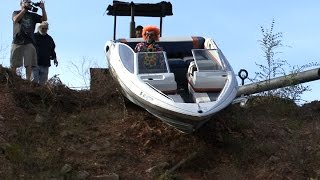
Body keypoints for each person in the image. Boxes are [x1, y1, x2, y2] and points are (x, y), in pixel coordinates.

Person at [10, 0, 47, 81]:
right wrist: (24, 9)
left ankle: (27, 81)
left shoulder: (32, 15)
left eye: (29, 2)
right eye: (26, 1)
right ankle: (12, 79)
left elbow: (44, 19)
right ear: (21, 3)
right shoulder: (16, 12)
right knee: (14, 63)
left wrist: (43, 8)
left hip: (29, 41)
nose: (28, 3)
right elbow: (15, 19)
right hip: (17, 40)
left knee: (29, 63)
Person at [32, 21, 58, 85]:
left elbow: (52, 50)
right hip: (34, 63)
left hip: (45, 64)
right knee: (33, 81)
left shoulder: (49, 39)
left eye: (46, 29)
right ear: (39, 28)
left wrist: (55, 59)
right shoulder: (33, 36)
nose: (44, 30)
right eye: (42, 28)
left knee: (42, 84)